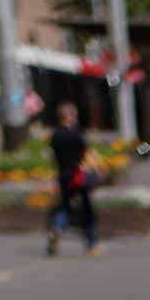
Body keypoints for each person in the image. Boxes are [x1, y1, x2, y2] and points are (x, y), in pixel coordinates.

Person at [46, 101, 101, 258]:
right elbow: (85, 153)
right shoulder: (76, 134)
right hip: (78, 176)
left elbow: (54, 156)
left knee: (65, 207)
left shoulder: (55, 135)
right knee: (87, 210)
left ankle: (56, 228)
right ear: (71, 116)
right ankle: (92, 245)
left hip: (63, 176)